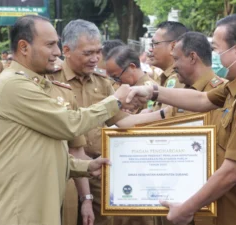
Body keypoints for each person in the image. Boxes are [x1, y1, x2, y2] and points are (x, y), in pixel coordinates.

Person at [127, 14, 236, 225]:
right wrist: (152, 92)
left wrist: (186, 209)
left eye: (216, 49)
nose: (214, 56)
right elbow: (203, 99)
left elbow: (232, 172)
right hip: (231, 211)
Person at [0, 15, 144, 225]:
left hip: (34, 202)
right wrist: (115, 101)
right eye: (50, 45)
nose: (57, 52)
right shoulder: (15, 85)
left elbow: (45, 150)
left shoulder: (36, 84)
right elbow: (70, 124)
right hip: (19, 208)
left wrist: (85, 167)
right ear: (24, 47)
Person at [51, 19, 168, 225]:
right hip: (63, 170)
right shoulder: (50, 81)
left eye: (98, 51)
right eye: (88, 53)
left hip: (97, 170)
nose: (95, 58)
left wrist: (164, 115)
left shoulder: (102, 83)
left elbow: (124, 122)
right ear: (66, 50)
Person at [171, 31, 224, 119]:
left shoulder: (222, 92)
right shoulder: (181, 90)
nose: (173, 66)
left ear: (192, 57)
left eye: (176, 59)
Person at [149, 21, 188, 118]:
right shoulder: (165, 77)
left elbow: (165, 121)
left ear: (173, 46)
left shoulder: (177, 79)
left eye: (155, 44)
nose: (150, 49)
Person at [105, 46, 158, 113]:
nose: (117, 83)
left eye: (117, 78)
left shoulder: (151, 91)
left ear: (132, 67)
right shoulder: (126, 87)